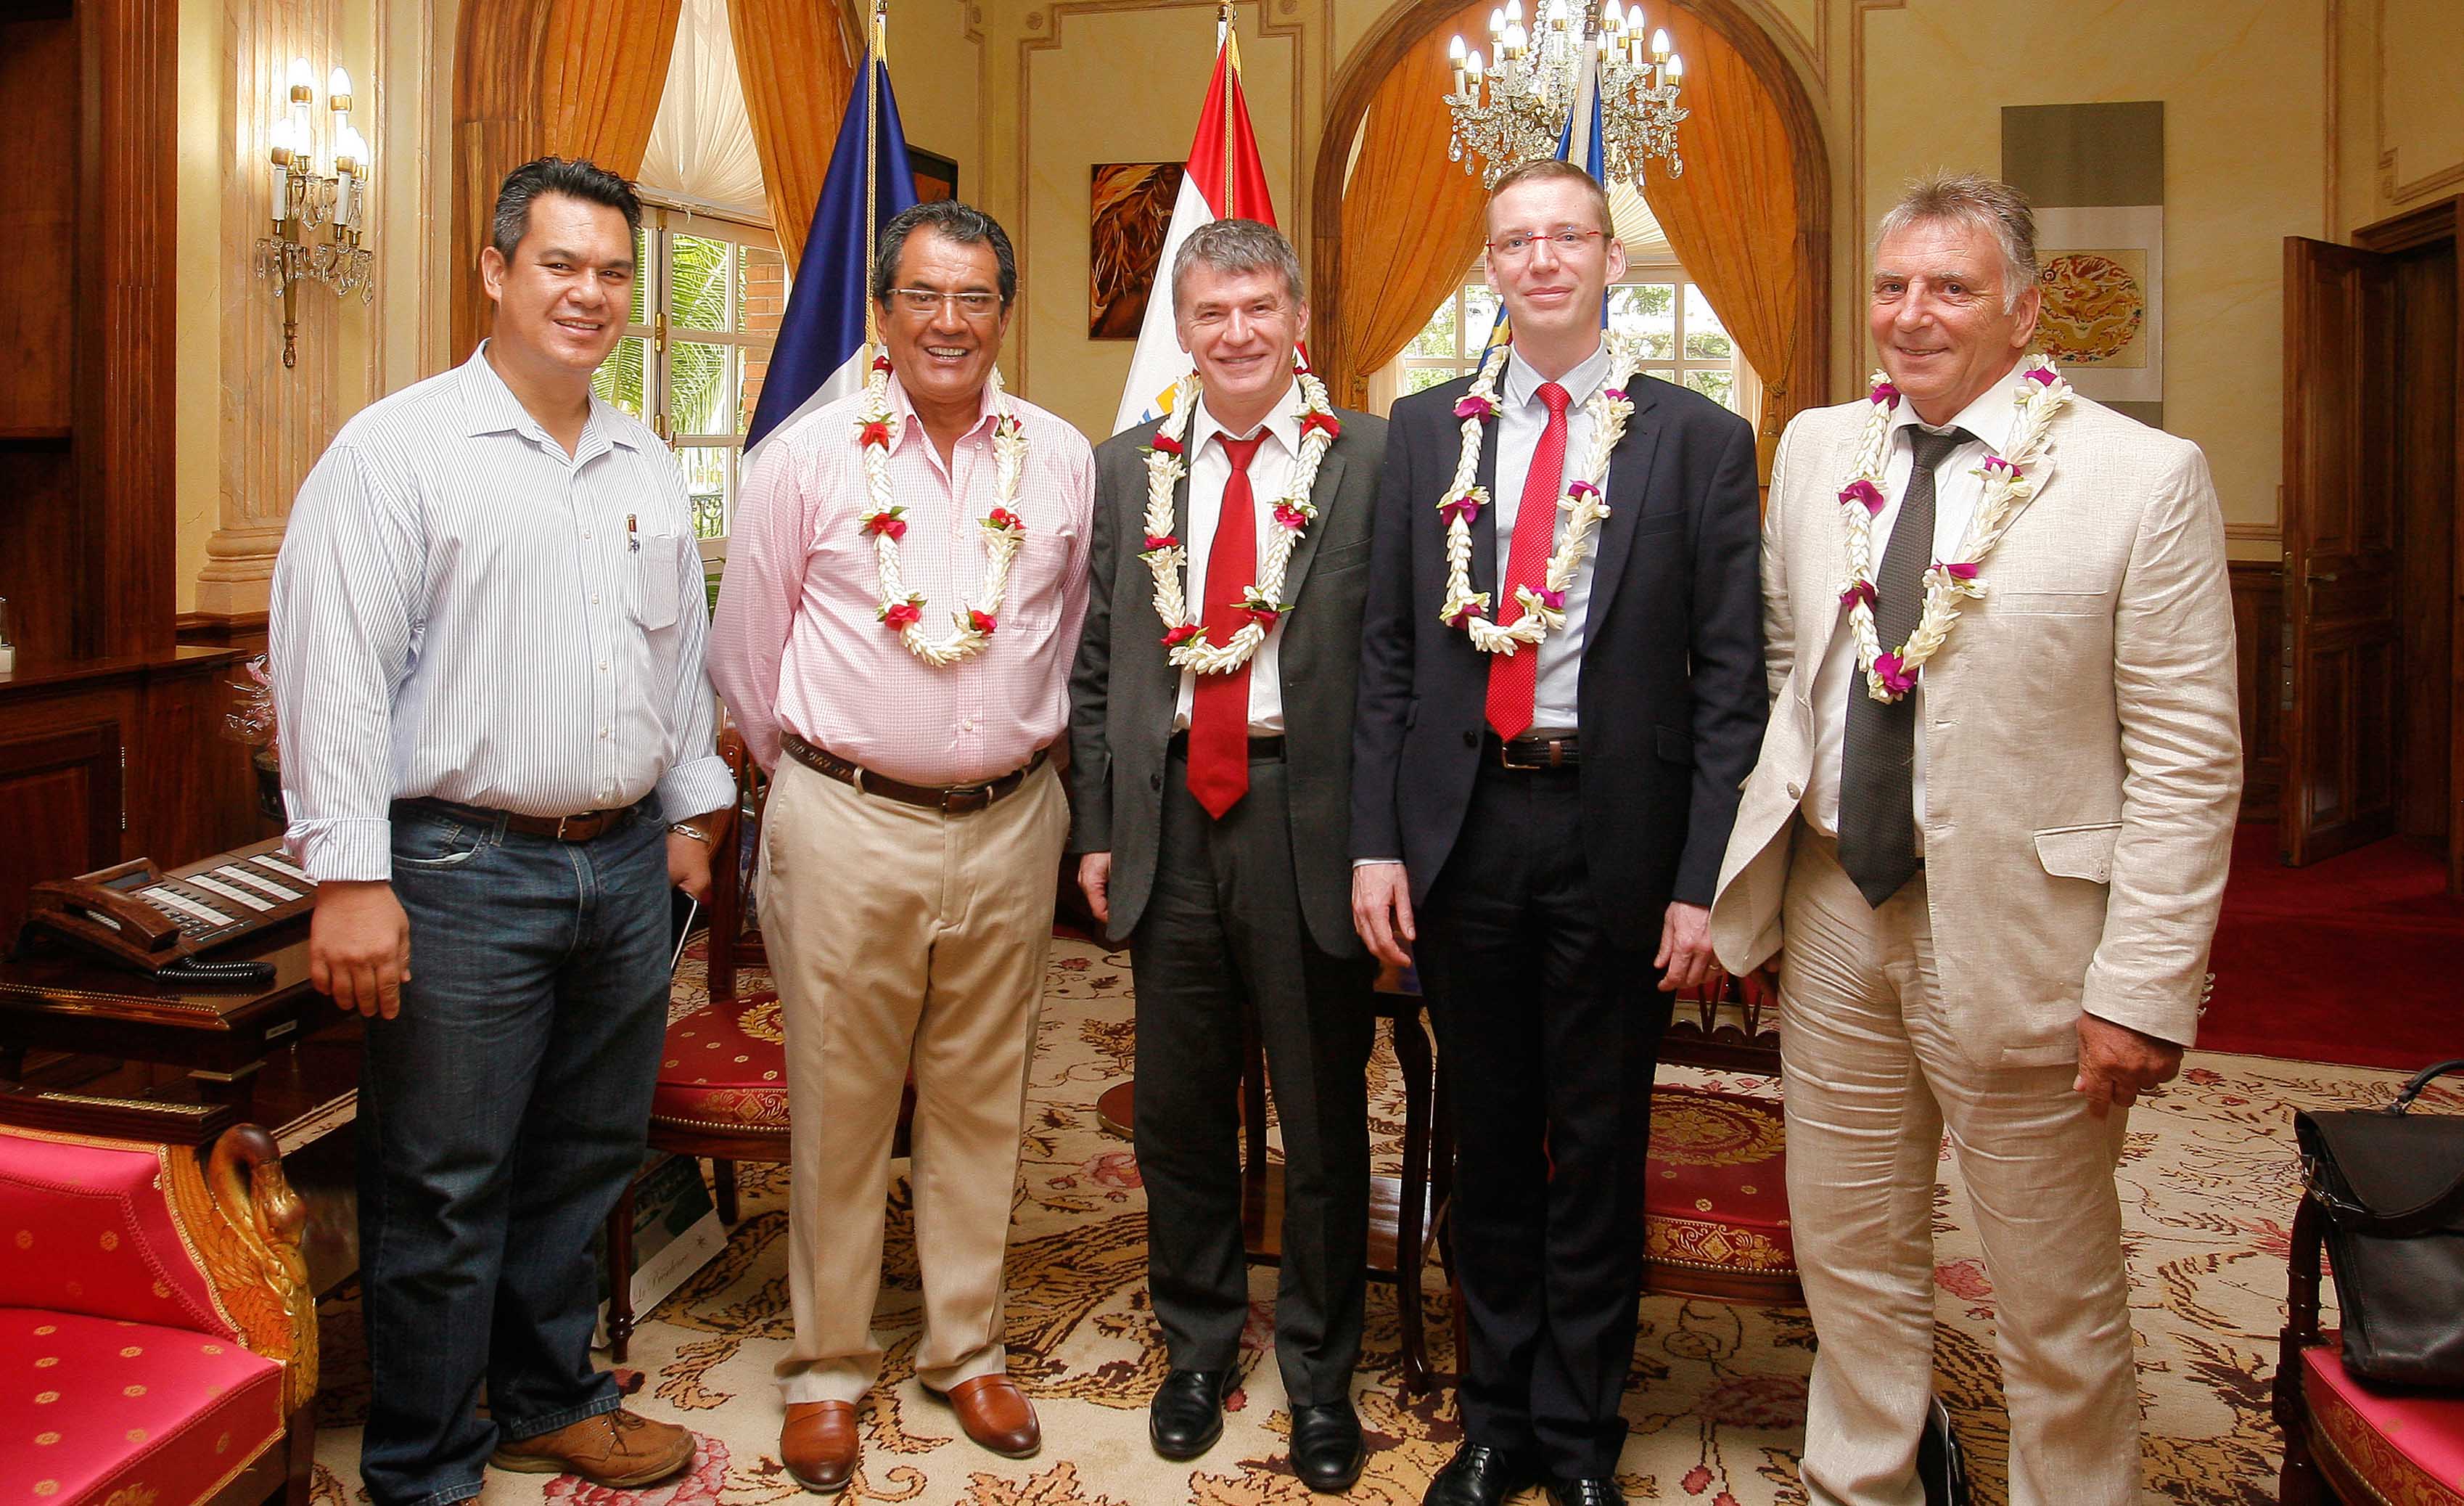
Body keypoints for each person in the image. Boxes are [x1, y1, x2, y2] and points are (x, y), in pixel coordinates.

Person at [1709, 173, 2241, 1506]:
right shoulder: (1821, 450)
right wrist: (1765, 888)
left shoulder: (2140, 478)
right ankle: (1864, 1484)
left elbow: (2188, 757)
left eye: (1951, 288)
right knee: (1848, 1256)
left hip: (2022, 931)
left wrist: (2141, 990)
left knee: (2052, 1294)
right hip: (1836, 904)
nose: (1914, 315)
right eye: (1892, 287)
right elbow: (1797, 664)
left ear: (2025, 308)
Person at [269, 156, 734, 1505]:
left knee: (587, 1161)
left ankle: (548, 1398)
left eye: (610, 273)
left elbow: (674, 661)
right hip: (461, 872)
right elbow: (334, 670)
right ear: (494, 271)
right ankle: (424, 1464)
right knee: (447, 1185)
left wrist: (692, 807)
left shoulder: (644, 453)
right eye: (559, 265)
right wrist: (349, 879)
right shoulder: (397, 452)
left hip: (624, 864)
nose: (588, 294)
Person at [1350, 159, 1766, 1506]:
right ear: (1489, 268)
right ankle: (1494, 1421)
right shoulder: (1424, 432)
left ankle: (1581, 1438)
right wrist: (1377, 842)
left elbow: (1728, 688)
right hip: (1465, 833)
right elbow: (1389, 662)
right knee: (1486, 1130)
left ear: (1610, 260)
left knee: (1598, 1141)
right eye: (1516, 241)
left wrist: (1703, 885)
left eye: (1567, 237)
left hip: (1618, 837)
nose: (1541, 260)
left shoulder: (1695, 439)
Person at [707, 199, 1093, 1496]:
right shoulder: (803, 461)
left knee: (989, 1097)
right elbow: (745, 663)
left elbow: (1070, 633)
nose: (947, 322)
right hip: (844, 816)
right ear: (882, 311)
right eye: (922, 296)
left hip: (1011, 822)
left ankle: (964, 1345)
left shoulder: (1060, 459)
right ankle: (825, 1367)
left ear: (1003, 312)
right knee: (841, 1100)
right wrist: (824, 786)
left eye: (974, 298)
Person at [1066, 218, 1387, 1492]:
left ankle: (1318, 1369)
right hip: (1167, 828)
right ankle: (1196, 1345)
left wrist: (1389, 844)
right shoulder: (1126, 465)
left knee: (1320, 1116)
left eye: (1260, 308)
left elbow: (1401, 672)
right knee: (1178, 1115)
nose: (1239, 332)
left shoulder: (1375, 458)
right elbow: (1096, 671)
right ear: (1182, 333)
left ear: (1295, 320)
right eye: (1213, 313)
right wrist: (1095, 827)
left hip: (1310, 821)